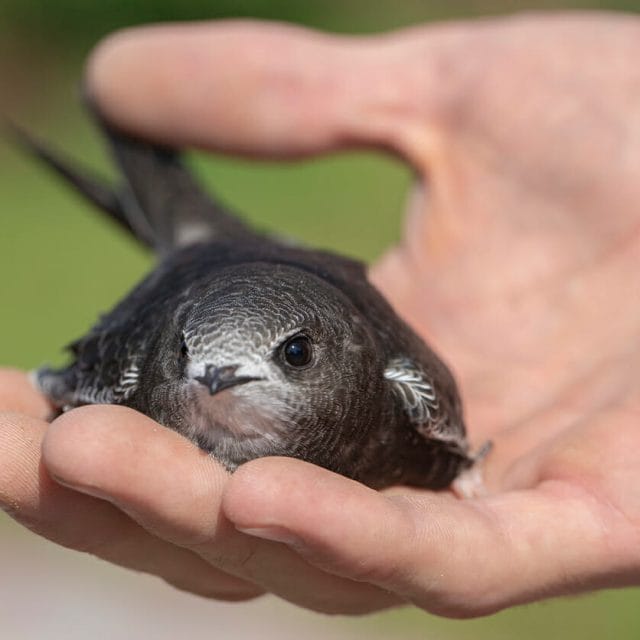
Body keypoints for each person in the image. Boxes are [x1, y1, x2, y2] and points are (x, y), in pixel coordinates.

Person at [2, 12, 640, 617]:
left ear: (324, 352)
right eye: (193, 362)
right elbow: (130, 368)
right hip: (205, 269)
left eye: (292, 357)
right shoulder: (150, 365)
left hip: (276, 271)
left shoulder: (397, 381)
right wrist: (57, 389)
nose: (214, 380)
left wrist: (461, 472)